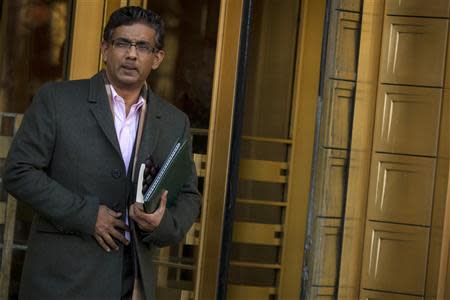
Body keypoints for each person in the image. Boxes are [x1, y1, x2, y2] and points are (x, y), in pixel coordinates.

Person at [3, 6, 201, 300]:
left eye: (143, 46)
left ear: (157, 58)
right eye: (122, 43)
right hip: (62, 281)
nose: (131, 54)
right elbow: (18, 171)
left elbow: (188, 195)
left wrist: (162, 224)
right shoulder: (57, 101)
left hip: (131, 280)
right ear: (105, 49)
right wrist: (85, 214)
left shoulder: (174, 121)